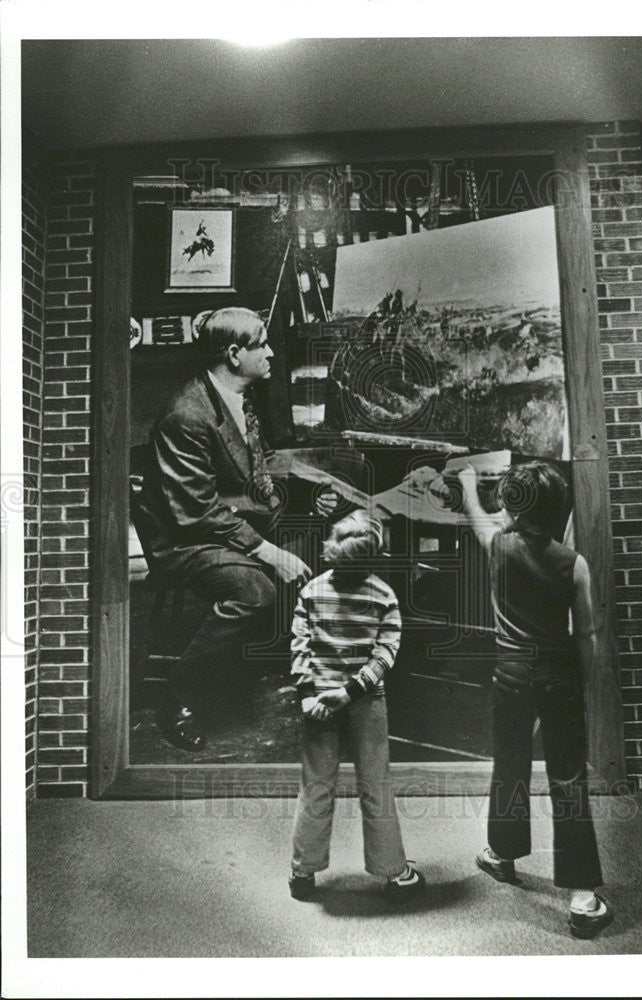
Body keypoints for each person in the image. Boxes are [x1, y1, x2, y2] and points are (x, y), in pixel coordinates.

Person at [135, 306, 336, 751]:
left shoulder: (236, 398)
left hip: (228, 520)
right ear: (232, 354)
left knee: (332, 537)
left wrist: (308, 500)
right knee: (255, 591)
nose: (269, 353)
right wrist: (270, 551)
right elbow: (196, 513)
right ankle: (176, 694)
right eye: (261, 344)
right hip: (185, 538)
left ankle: (314, 671)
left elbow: (250, 478)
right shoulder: (186, 415)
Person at [458, 460, 613, 939]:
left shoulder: (499, 548)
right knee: (568, 777)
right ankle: (583, 897)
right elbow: (585, 634)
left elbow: (483, 518)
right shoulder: (574, 563)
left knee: (509, 765)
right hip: (558, 675)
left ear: (512, 506)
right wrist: (584, 683)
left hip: (510, 674)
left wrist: (469, 485)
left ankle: (501, 856)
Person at [287, 510, 425, 903]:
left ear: (331, 551)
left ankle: (302, 870)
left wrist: (310, 695)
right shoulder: (384, 595)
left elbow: (300, 648)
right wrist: (351, 691)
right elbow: (386, 654)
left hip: (318, 704)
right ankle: (393, 873)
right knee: (375, 784)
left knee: (315, 784)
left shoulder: (311, 591)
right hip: (366, 701)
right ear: (374, 558)